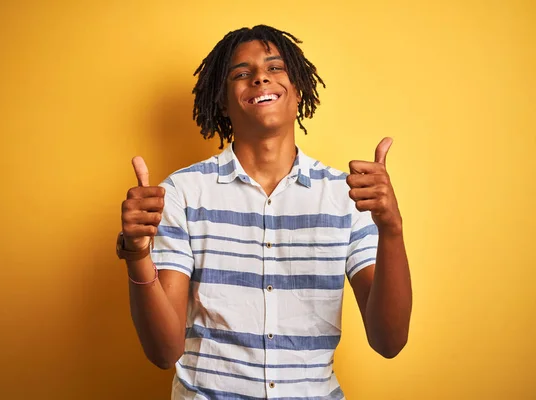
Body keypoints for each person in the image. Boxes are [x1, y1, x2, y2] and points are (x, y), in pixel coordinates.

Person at [116, 25, 412, 399]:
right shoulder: (182, 192)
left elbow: (389, 341)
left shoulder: (348, 194)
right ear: (223, 100)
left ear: (299, 87)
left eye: (275, 68)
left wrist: (392, 230)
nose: (260, 77)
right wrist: (137, 255)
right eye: (241, 73)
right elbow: (163, 352)